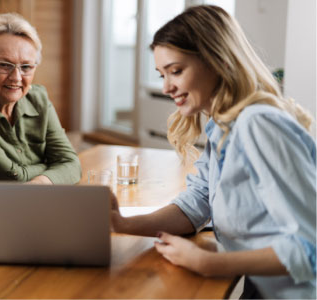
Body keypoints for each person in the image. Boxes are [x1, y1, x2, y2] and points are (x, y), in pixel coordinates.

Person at [110, 5, 316, 299]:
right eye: (161, 74)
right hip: (262, 286)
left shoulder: (259, 125)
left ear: (217, 61)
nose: (167, 87)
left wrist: (208, 262)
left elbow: (310, 247)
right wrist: (122, 224)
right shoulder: (223, 126)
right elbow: (197, 203)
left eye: (176, 71)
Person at [0, 13, 81, 185]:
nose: (16, 77)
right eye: (4, 65)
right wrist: (50, 167)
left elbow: (72, 165)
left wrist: (40, 183)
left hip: (39, 200)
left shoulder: (38, 99)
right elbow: (11, 176)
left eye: (26, 67)